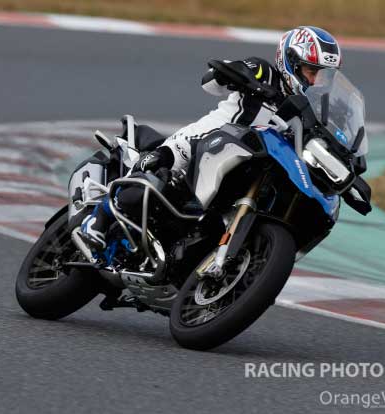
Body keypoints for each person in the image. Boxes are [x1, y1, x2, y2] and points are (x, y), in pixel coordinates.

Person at [81, 26, 343, 250]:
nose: (316, 81)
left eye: (324, 75)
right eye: (312, 71)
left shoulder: (315, 110)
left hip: (255, 161)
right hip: (207, 140)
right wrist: (234, 73)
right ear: (291, 62)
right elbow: (211, 82)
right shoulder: (265, 72)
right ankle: (99, 218)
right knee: (158, 165)